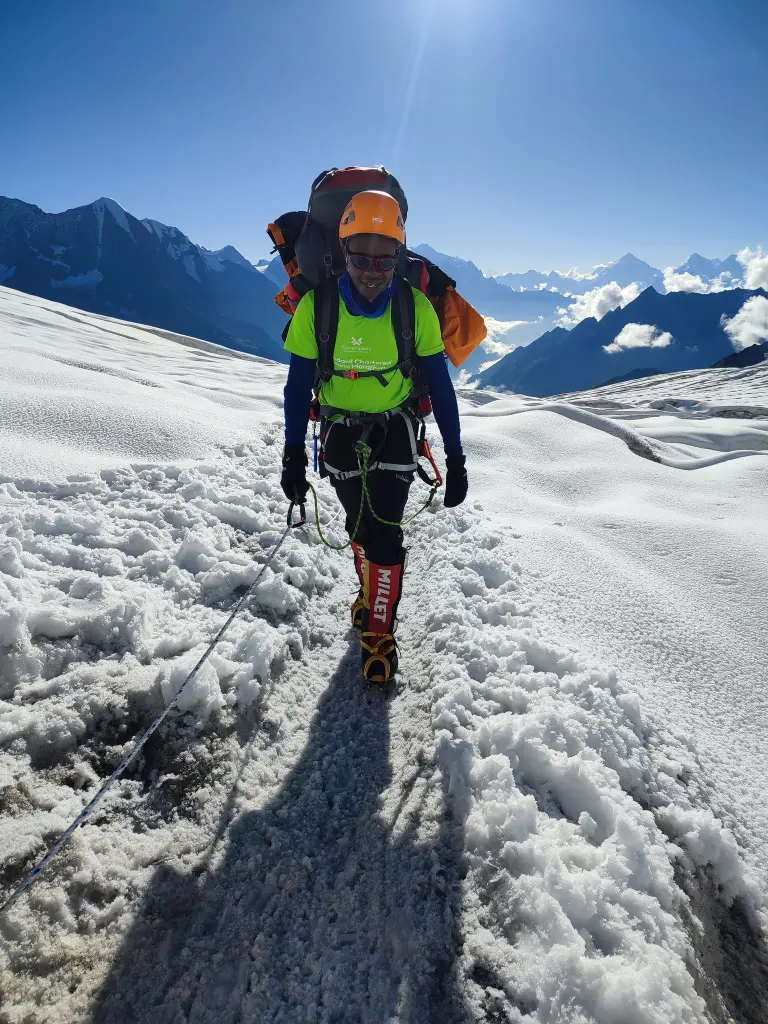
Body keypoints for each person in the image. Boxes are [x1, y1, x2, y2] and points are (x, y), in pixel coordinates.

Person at [280, 190, 467, 685]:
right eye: (361, 256)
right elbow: (298, 387)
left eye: (385, 259)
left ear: (398, 257)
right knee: (359, 525)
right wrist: (292, 453)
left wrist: (457, 457)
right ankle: (372, 593)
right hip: (339, 430)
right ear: (343, 251)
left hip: (397, 429)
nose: (371, 269)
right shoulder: (317, 309)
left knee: (384, 533)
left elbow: (441, 387)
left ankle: (379, 636)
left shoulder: (415, 308)